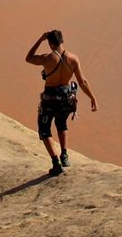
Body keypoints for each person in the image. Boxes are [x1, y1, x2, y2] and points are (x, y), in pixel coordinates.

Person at [25, 29, 98, 176]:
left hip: (50, 99)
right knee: (61, 123)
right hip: (66, 99)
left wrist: (40, 39)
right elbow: (82, 81)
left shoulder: (47, 58)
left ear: (50, 43)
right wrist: (92, 97)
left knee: (44, 129)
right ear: (62, 40)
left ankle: (56, 163)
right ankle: (64, 156)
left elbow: (29, 58)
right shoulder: (73, 58)